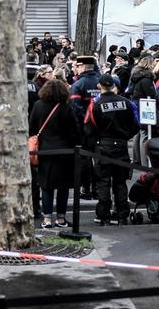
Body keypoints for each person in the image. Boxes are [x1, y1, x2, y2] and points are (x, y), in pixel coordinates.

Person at [84, 74, 137, 225]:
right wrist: (125, 136)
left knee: (103, 182)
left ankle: (103, 215)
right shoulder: (126, 103)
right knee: (120, 182)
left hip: (103, 146)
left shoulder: (95, 103)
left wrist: (95, 143)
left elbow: (88, 127)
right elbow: (135, 124)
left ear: (99, 86)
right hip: (121, 145)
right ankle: (122, 214)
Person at [29, 78, 78, 229]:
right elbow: (74, 132)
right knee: (63, 187)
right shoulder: (66, 107)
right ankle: (61, 218)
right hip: (65, 152)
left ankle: (47, 219)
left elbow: (32, 128)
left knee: (46, 186)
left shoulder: (38, 106)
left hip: (44, 151)